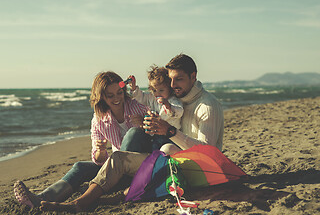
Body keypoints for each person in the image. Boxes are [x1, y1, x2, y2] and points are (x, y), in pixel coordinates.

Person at [39, 54, 224, 212]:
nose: (173, 84)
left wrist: (168, 130)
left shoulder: (206, 106)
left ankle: (88, 201)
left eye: (179, 79)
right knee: (115, 158)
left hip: (191, 169)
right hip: (168, 160)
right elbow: (148, 100)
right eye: (171, 80)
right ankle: (81, 201)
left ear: (193, 76)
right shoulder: (179, 99)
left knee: (160, 146)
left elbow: (207, 153)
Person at [13, 71, 151, 208]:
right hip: (115, 170)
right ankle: (42, 198)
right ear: (101, 97)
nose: (117, 98)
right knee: (80, 167)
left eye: (120, 93)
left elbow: (161, 129)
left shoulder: (137, 106)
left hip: (141, 168)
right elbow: (98, 159)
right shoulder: (99, 120)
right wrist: (101, 151)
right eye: (110, 95)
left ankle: (89, 196)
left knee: (133, 133)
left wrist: (144, 123)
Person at [127, 65, 183, 151]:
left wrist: (169, 106)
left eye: (161, 90)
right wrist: (133, 87)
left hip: (171, 137)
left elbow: (179, 111)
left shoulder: (172, 100)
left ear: (169, 89)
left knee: (166, 152)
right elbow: (141, 97)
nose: (157, 94)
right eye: (154, 90)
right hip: (156, 136)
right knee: (155, 153)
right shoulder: (152, 98)